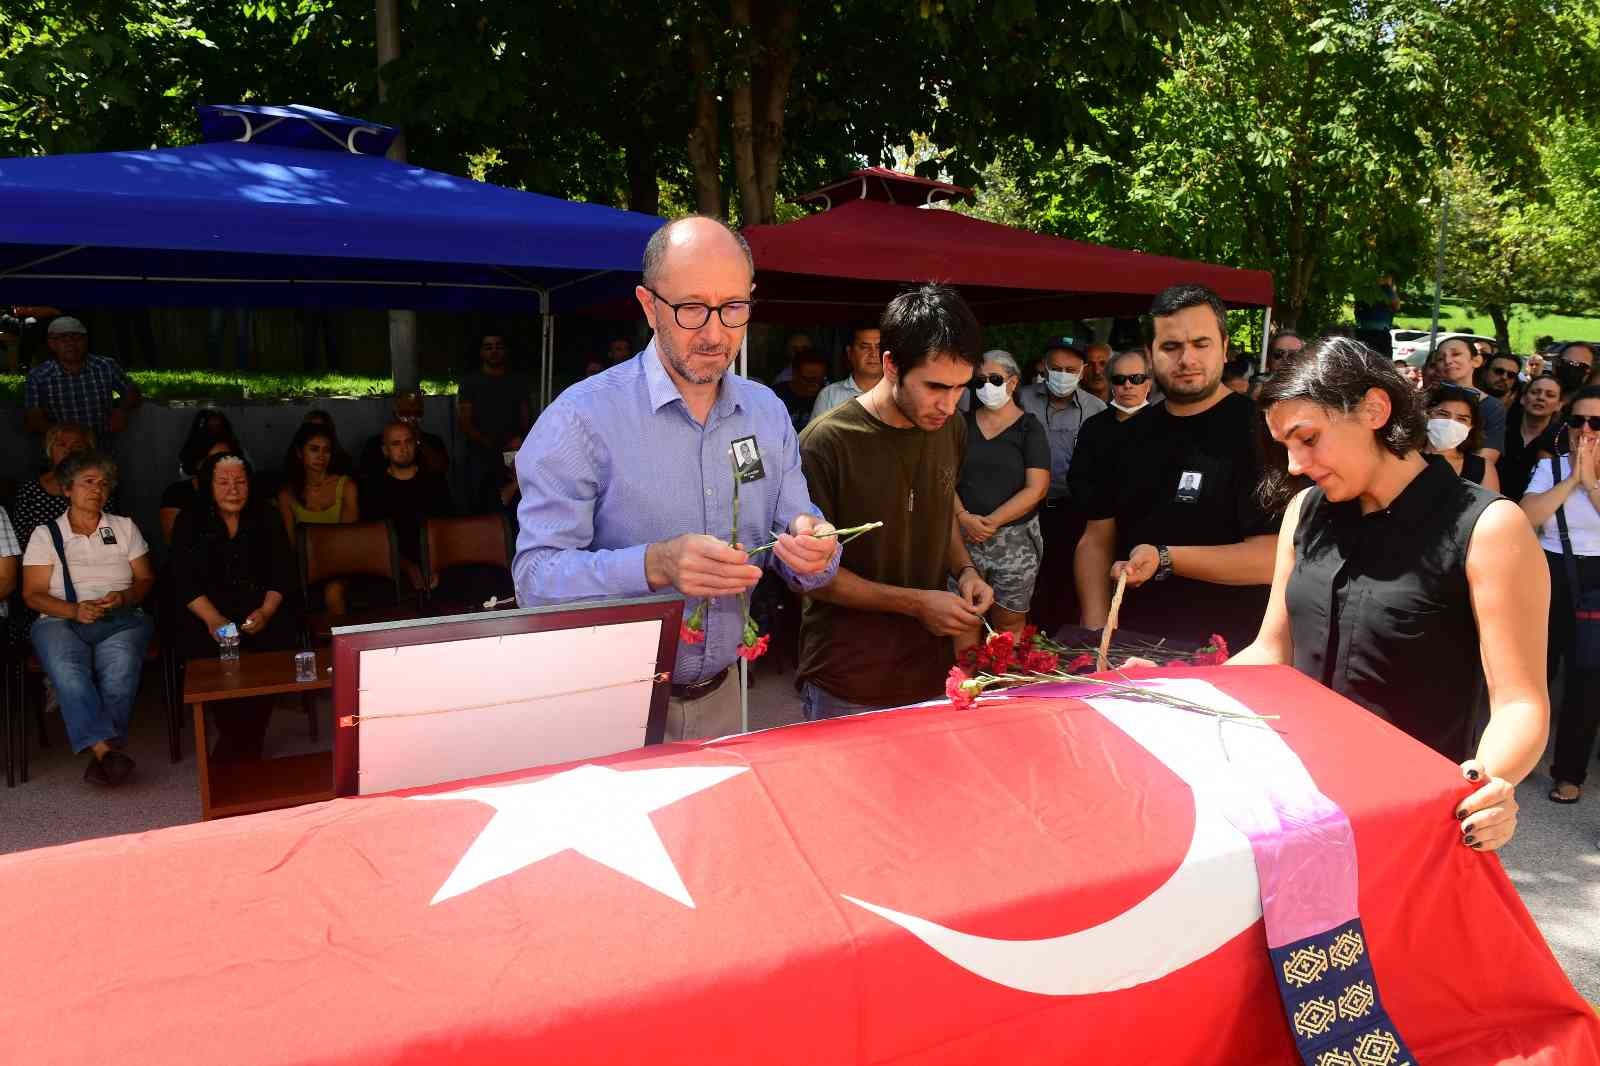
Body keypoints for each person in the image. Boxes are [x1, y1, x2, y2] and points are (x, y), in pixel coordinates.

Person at [514, 216, 840, 741]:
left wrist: (815, 547)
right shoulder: (581, 419)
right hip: (608, 705)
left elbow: (799, 531)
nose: (714, 334)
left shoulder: (766, 413)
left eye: (733, 308)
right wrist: (654, 564)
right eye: (691, 308)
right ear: (648, 306)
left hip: (725, 697)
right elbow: (535, 580)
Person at [1230, 336, 1548, 851]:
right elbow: (1272, 650)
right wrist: (1172, 695)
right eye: (1285, 446)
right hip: (1293, 804)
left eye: (1307, 438)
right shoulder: (1305, 511)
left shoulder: (1489, 527)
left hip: (1412, 825)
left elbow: (1520, 703)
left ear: (1375, 409)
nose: (1293, 464)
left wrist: (1487, 787)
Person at [799, 283, 993, 718]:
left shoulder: (950, 428)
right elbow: (812, 577)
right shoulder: (825, 444)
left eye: (961, 388)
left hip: (931, 672)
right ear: (890, 365)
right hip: (849, 680)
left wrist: (965, 571)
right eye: (935, 387)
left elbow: (937, 507)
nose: (948, 404)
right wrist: (917, 603)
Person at [1076, 283, 1276, 651]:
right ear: (1149, 354)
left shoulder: (1266, 435)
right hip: (1130, 647)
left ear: (1224, 346)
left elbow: (1273, 557)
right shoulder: (1123, 437)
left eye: (1201, 344)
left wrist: (1166, 558)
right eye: (1171, 347)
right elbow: (1095, 541)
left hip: (1230, 653)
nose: (1187, 359)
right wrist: (1095, 633)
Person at [20, 451, 156, 788]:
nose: (98, 489)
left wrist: (123, 597)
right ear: (67, 489)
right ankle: (106, 751)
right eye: (88, 482)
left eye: (104, 484)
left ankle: (102, 755)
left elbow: (145, 579)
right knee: (67, 669)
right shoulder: (46, 534)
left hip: (120, 617)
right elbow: (32, 594)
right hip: (59, 619)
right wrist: (74, 610)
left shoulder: (123, 527)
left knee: (121, 666)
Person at [169, 453, 299, 760]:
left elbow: (283, 571)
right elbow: (182, 579)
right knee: (207, 650)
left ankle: (250, 737)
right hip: (205, 613)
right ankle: (234, 737)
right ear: (208, 486)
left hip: (259, 608)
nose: (233, 490)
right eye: (223, 482)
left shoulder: (266, 514)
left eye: (240, 482)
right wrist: (214, 619)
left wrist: (266, 611)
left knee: (276, 640)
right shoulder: (189, 520)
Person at [1519, 387, 1600, 805]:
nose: (1586, 430)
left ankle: (1569, 773)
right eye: (1577, 421)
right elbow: (1527, 515)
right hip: (1550, 571)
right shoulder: (1551, 468)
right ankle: (1518, 757)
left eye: (1596, 422)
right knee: (1535, 673)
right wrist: (1571, 480)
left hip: (1596, 580)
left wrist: (1591, 484)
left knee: (1587, 682)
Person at [954, 350, 1049, 635]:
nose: (986, 386)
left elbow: (1037, 487)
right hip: (962, 540)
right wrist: (963, 517)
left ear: (1013, 382)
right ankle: (964, 669)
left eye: (995, 379)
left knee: (1009, 623)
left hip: (1015, 543)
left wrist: (992, 521)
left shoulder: (1029, 427)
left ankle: (1006, 668)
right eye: (979, 381)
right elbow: (942, 479)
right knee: (963, 618)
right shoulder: (959, 425)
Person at [1016, 340, 1107, 633]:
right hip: (1027, 508)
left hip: (1074, 511)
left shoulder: (1096, 409)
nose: (1062, 375)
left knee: (1068, 580)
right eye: (1056, 368)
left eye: (1070, 370)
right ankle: (1031, 640)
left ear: (1082, 371)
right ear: (1044, 366)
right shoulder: (1021, 399)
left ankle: (1063, 642)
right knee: (1028, 580)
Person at [7, 423, 95, 641]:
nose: (68, 450)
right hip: (40, 572)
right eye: (61, 444)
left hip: (89, 568)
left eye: (77, 445)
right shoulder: (31, 489)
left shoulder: (97, 488)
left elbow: (106, 533)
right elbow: (20, 541)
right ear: (50, 450)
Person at [361, 421, 454, 591]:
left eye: (408, 441)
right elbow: (373, 539)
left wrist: (436, 565)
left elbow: (447, 529)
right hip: (390, 569)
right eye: (396, 444)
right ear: (385, 450)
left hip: (435, 563)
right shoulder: (373, 488)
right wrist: (406, 566)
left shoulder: (435, 483)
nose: (404, 449)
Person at [277, 422, 359, 613]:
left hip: (341, 565)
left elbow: (348, 539)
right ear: (299, 452)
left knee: (333, 591)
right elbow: (292, 545)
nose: (321, 456)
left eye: (326, 450)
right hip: (304, 567)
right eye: (314, 449)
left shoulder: (346, 486)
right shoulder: (287, 494)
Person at [22, 316, 142, 438]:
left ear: (86, 340)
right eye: (63, 339)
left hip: (106, 438)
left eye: (77, 338)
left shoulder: (105, 365)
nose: (71, 344)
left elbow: (132, 391)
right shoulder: (38, 376)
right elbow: (33, 416)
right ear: (52, 344)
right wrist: (61, 434)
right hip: (62, 443)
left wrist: (122, 411)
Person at [459, 335, 533, 510]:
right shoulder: (470, 382)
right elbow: (464, 422)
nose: (494, 351)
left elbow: (526, 417)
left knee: (516, 503)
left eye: (498, 346)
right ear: (481, 352)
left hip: (513, 453)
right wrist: (488, 443)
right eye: (488, 347)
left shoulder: (518, 380)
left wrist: (520, 440)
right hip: (480, 455)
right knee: (480, 505)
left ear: (505, 350)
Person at [160, 414, 244, 544]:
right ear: (198, 463)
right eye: (213, 460)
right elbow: (174, 544)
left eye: (226, 459)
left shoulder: (241, 495)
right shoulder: (177, 495)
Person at [1430, 336, 1506, 464]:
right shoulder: (1425, 399)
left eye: (1456, 354)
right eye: (1440, 358)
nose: (1448, 361)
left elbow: (1488, 457)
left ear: (1476, 361)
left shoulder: (1492, 406)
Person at [1424, 383, 1500, 491]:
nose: (1450, 423)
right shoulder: (1406, 456)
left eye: (1462, 419)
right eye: (1443, 414)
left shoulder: (1482, 468)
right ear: (1427, 414)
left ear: (1471, 427)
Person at [358, 390, 449, 480]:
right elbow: (367, 475)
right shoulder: (376, 443)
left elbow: (441, 469)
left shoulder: (433, 441)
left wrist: (419, 440)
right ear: (395, 412)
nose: (411, 418)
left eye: (417, 413)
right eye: (405, 413)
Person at [1502, 375, 1564, 501]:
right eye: (1535, 392)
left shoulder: (1559, 445)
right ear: (1523, 399)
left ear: (1559, 405)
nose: (1541, 398)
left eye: (1550, 395)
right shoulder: (1502, 430)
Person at [810, 322, 884, 421]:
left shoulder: (898, 392)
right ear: (850, 353)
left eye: (879, 347)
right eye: (865, 347)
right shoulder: (829, 395)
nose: (873, 354)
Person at [771, 347, 830, 433]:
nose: (815, 384)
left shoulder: (828, 396)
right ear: (794, 374)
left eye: (820, 380)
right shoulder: (775, 396)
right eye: (809, 379)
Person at [1352, 274, 1402, 358]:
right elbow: (1396, 305)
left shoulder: (1385, 292)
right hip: (1373, 334)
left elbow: (1396, 305)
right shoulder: (1370, 291)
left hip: (1372, 333)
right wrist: (1387, 286)